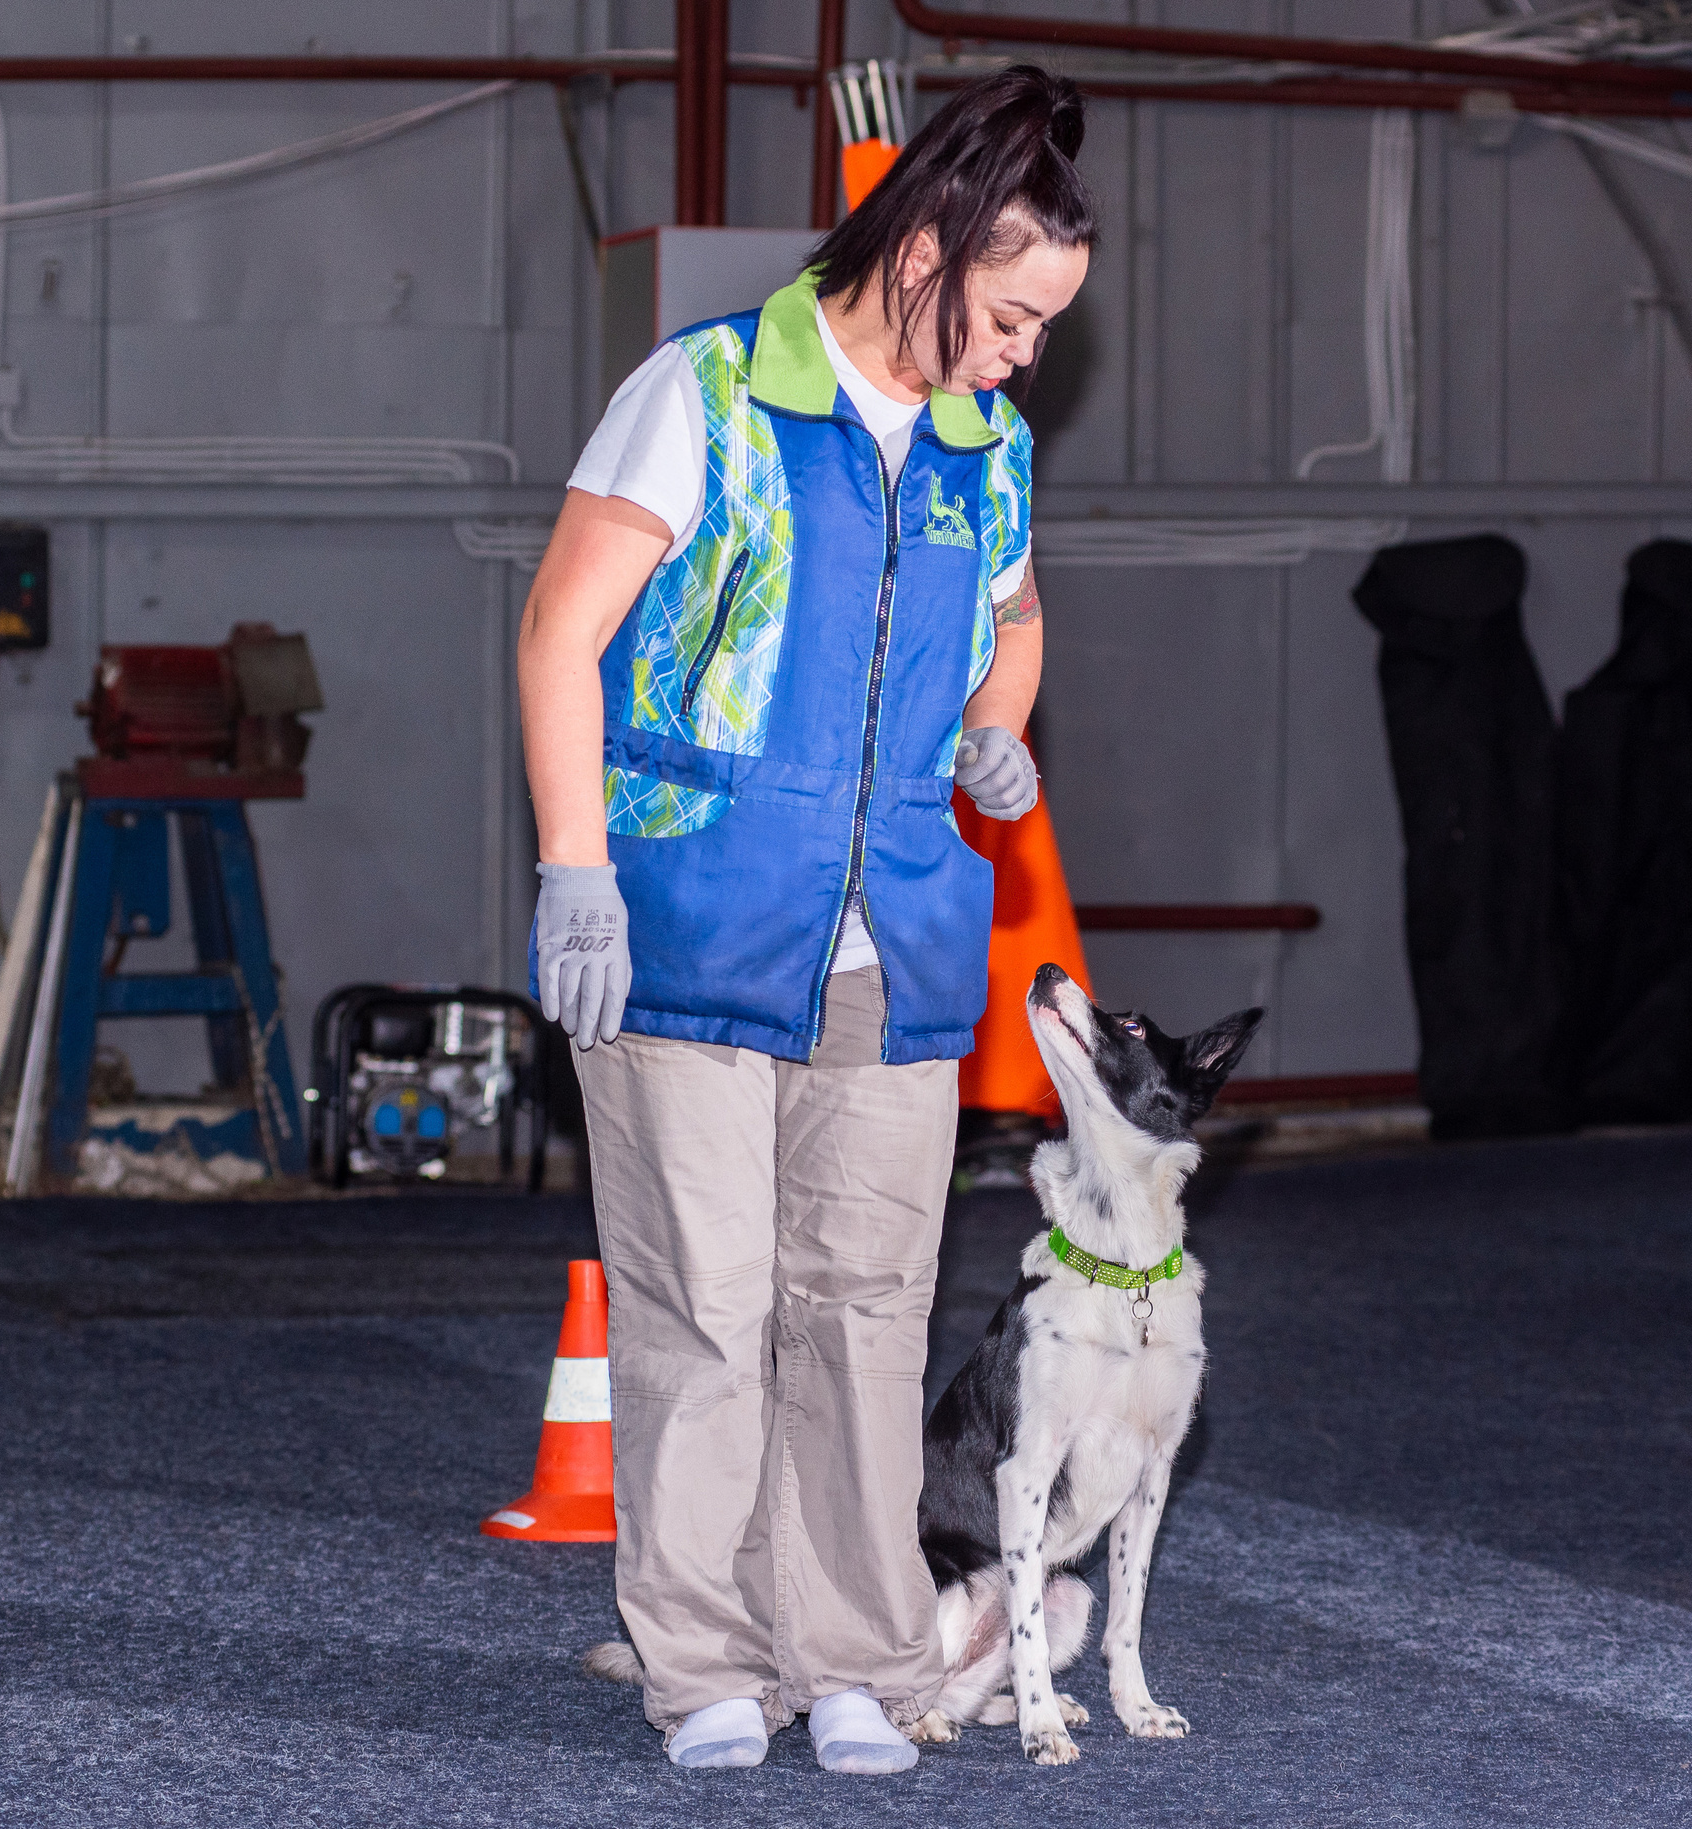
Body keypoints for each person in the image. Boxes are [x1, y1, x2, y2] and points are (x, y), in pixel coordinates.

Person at [514, 65, 1095, 1775]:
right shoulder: (699, 393)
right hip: (691, 918)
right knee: (705, 1297)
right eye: (1011, 315)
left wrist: (999, 723)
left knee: (864, 1303)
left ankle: (849, 1650)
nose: (1024, 355)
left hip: (896, 936)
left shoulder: (988, 445)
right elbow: (560, 633)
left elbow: (1017, 612)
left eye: (1049, 327)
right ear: (920, 255)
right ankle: (696, 1656)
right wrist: (575, 862)